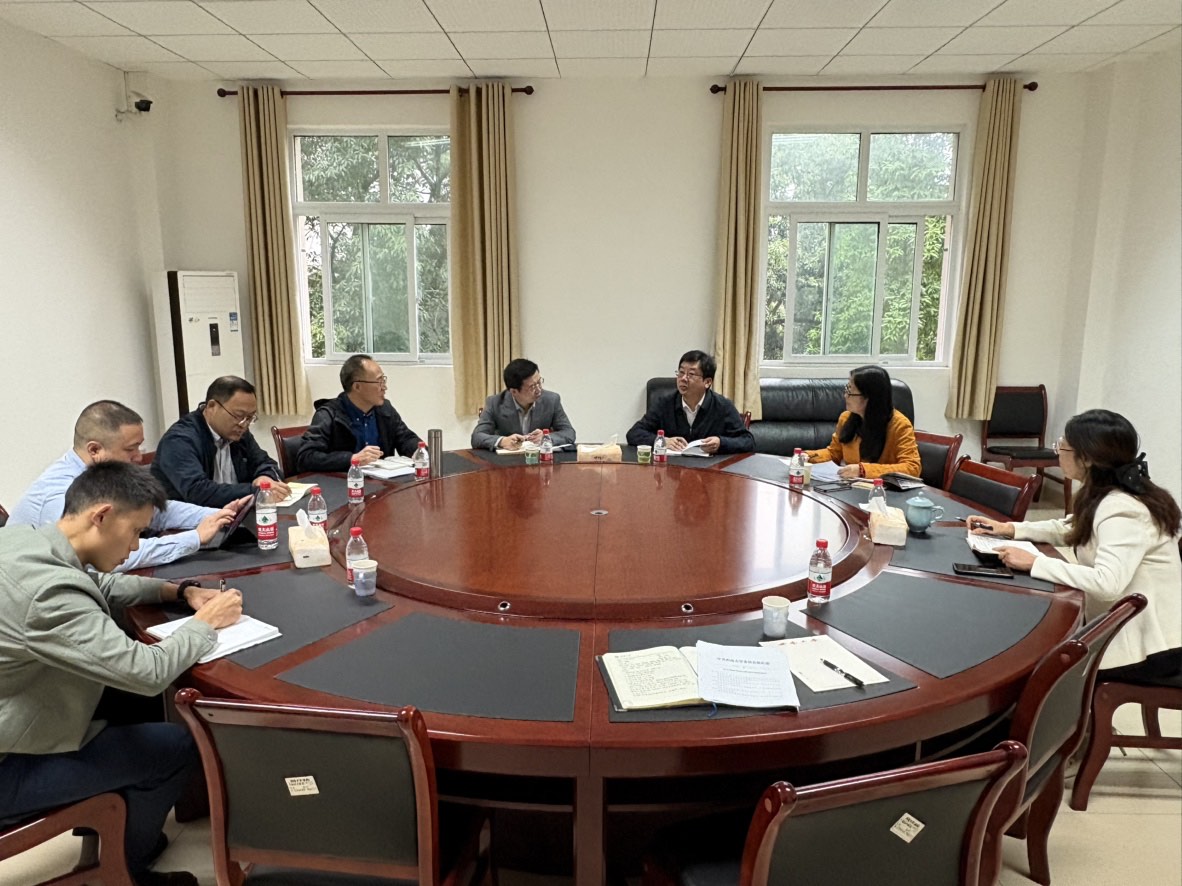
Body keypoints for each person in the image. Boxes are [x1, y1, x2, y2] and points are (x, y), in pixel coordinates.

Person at [0, 462, 244, 886]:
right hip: (9, 768)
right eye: (135, 532)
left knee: (132, 705)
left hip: (18, 715)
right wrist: (205, 624)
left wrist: (178, 591)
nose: (135, 547)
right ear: (101, 516)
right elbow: (147, 671)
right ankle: (128, 870)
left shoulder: (24, 540)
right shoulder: (48, 595)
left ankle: (117, 820)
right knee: (174, 746)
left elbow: (99, 585)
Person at [971, 409, 1181, 677]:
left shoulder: (1123, 508)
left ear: (1088, 458)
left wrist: (1036, 563)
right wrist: (1010, 528)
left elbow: (1107, 583)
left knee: (1035, 662)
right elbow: (1072, 527)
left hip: (1147, 647)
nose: (1058, 452)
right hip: (1125, 627)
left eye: (1063, 446)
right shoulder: (1108, 492)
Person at [9, 400, 247, 571]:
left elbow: (155, 511)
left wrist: (218, 516)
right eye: (130, 449)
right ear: (95, 450)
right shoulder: (60, 497)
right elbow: (112, 557)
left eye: (140, 447)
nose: (139, 457)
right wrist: (194, 538)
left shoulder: (105, 477)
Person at [153, 376, 288, 508]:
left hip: (235, 514)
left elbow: (265, 463)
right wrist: (257, 491)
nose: (244, 424)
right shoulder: (180, 440)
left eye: (250, 417)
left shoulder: (239, 433)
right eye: (238, 416)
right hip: (191, 519)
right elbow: (198, 492)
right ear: (212, 406)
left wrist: (265, 477)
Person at [297, 354, 422, 472]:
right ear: (357, 386)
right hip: (343, 482)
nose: (384, 387)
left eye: (383, 381)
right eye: (379, 382)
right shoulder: (328, 415)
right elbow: (306, 457)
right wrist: (352, 459)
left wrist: (422, 452)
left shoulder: (385, 410)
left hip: (381, 482)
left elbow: (406, 439)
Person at [626, 350, 754, 455]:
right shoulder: (664, 403)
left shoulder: (722, 406)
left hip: (709, 471)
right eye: (681, 372)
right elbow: (634, 433)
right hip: (672, 471)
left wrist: (721, 443)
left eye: (691, 374)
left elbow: (748, 441)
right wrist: (663, 441)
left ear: (707, 382)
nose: (683, 379)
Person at [806, 365, 921, 479]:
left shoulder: (900, 425)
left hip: (881, 488)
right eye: (846, 389)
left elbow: (912, 467)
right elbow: (834, 453)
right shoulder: (846, 418)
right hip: (849, 485)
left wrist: (863, 470)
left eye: (850, 391)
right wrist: (806, 456)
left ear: (869, 397)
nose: (845, 396)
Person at [471, 358, 577, 451]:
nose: (538, 390)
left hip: (540, 461)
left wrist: (546, 438)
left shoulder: (551, 400)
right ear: (514, 391)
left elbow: (569, 433)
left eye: (539, 382)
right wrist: (502, 441)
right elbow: (477, 437)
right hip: (507, 463)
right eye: (532, 387)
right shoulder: (495, 403)